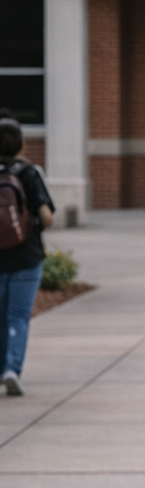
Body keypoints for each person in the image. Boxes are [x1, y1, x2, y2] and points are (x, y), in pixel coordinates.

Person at [0, 117, 54, 396]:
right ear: (21, 145)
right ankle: (12, 368)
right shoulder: (30, 174)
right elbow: (46, 218)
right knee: (17, 316)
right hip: (26, 256)